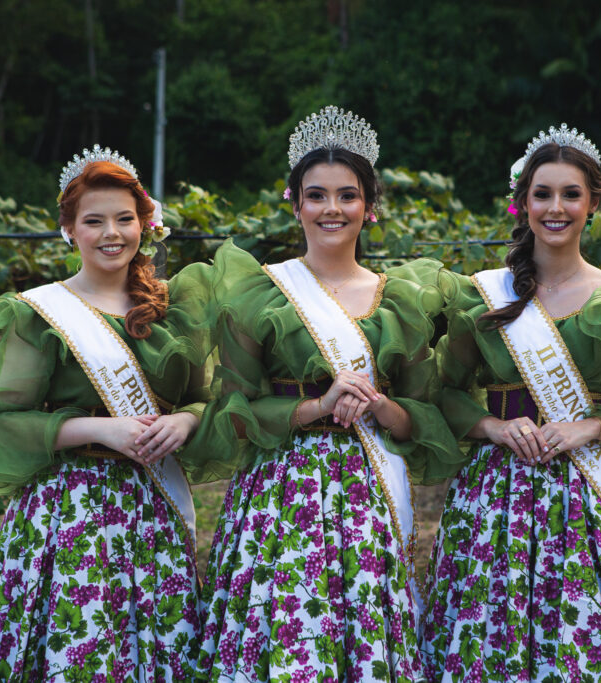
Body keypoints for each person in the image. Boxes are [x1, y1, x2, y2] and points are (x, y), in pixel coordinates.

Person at [420, 125, 601, 681]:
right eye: (542, 194)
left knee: (585, 639)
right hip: (494, 498)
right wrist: (491, 425)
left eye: (570, 194)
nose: (555, 208)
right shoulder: (480, 296)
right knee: (488, 637)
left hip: (583, 496)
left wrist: (589, 430)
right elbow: (444, 393)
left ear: (593, 204)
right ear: (522, 202)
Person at [185, 106, 464, 682]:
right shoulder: (260, 295)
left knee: (362, 636)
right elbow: (233, 412)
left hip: (369, 496)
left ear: (369, 205)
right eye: (316, 195)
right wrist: (317, 405)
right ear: (294, 202)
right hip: (278, 499)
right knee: (284, 631)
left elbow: (422, 418)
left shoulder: (402, 301)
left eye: (347, 195)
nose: (331, 209)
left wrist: (377, 403)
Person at [0, 146, 211, 681]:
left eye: (125, 218)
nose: (113, 233)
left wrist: (186, 420)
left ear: (145, 224)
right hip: (68, 516)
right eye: (94, 220)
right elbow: (2, 424)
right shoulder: (41, 314)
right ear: (69, 230)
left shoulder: (172, 309)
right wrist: (98, 427)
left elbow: (206, 399)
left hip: (153, 511)